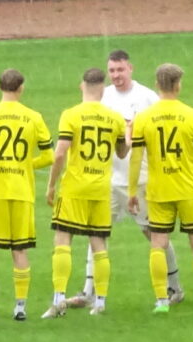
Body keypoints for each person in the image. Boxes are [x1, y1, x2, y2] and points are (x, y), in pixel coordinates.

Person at [68, 51, 176, 307]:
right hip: (107, 179)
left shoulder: (147, 97)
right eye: (112, 71)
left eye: (120, 70)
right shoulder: (101, 97)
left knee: (153, 233)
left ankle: (174, 287)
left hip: (140, 178)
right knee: (97, 233)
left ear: (131, 68)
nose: (116, 75)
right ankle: (88, 291)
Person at [128, 63, 193, 312]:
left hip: (159, 189)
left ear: (158, 85)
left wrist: (130, 192)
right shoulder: (192, 115)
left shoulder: (144, 118)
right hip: (189, 188)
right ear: (178, 85)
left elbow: (136, 157)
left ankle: (161, 300)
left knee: (158, 243)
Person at [0, 68, 53, 322]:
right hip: (23, 191)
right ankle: (20, 308)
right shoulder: (34, 117)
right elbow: (48, 156)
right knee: (20, 249)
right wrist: (27, 165)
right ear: (21, 88)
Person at [43, 67, 128, 317]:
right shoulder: (115, 118)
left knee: (63, 240)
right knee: (99, 243)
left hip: (75, 187)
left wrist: (51, 184)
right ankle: (100, 301)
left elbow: (60, 152)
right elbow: (123, 152)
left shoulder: (71, 114)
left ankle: (59, 298)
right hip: (101, 188)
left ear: (82, 86)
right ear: (103, 88)